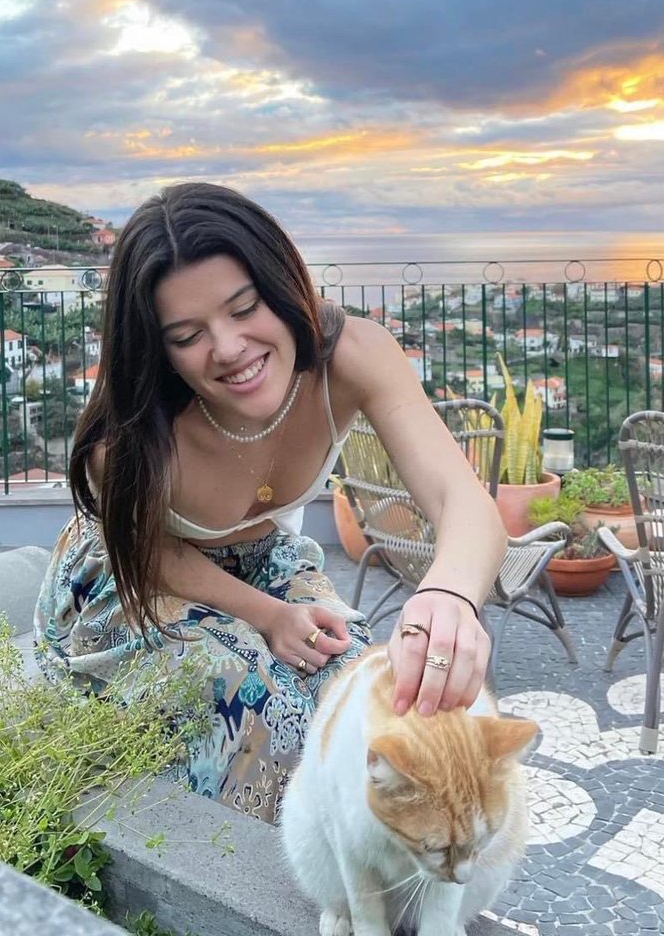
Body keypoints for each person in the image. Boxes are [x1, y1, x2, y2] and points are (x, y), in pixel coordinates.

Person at [35, 182, 507, 823]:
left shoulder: (354, 357)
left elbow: (463, 500)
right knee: (256, 721)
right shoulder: (131, 441)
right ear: (157, 346)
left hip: (264, 557)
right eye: (186, 334)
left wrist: (448, 597)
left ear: (283, 286)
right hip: (128, 577)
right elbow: (149, 554)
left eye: (244, 307)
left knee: (369, 689)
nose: (227, 348)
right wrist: (265, 615)